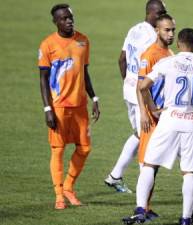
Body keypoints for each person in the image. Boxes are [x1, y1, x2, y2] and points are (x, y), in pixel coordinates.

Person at [122, 27, 193, 225]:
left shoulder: (167, 62)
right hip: (192, 121)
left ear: (179, 44)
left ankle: (139, 210)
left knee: (149, 164)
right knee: (189, 172)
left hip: (169, 119)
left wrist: (153, 108)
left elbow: (143, 86)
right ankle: (186, 219)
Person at [38, 3, 100, 210]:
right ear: (55, 21)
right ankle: (58, 195)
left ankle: (69, 187)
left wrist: (95, 97)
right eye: (63, 18)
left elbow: (85, 72)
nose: (68, 21)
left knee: (85, 147)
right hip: (59, 106)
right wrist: (48, 109)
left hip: (80, 105)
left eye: (70, 17)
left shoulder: (83, 40)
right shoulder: (47, 45)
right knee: (58, 149)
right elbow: (43, 80)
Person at [104, 0, 166, 194]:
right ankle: (144, 196)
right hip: (141, 93)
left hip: (129, 90)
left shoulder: (134, 29)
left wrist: (127, 82)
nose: (165, 16)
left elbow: (121, 59)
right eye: (162, 12)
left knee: (140, 134)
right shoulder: (152, 37)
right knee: (147, 138)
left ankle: (115, 176)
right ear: (152, 13)